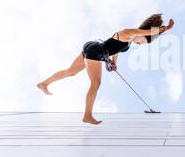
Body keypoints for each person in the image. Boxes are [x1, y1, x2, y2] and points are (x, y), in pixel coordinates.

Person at [37, 14, 175, 125]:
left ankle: (44, 84)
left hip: (93, 48)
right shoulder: (129, 32)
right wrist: (165, 28)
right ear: (143, 35)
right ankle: (87, 115)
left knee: (71, 72)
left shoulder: (127, 41)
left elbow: (116, 50)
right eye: (143, 42)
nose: (140, 44)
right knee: (95, 84)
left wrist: (114, 62)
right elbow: (149, 31)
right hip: (97, 50)